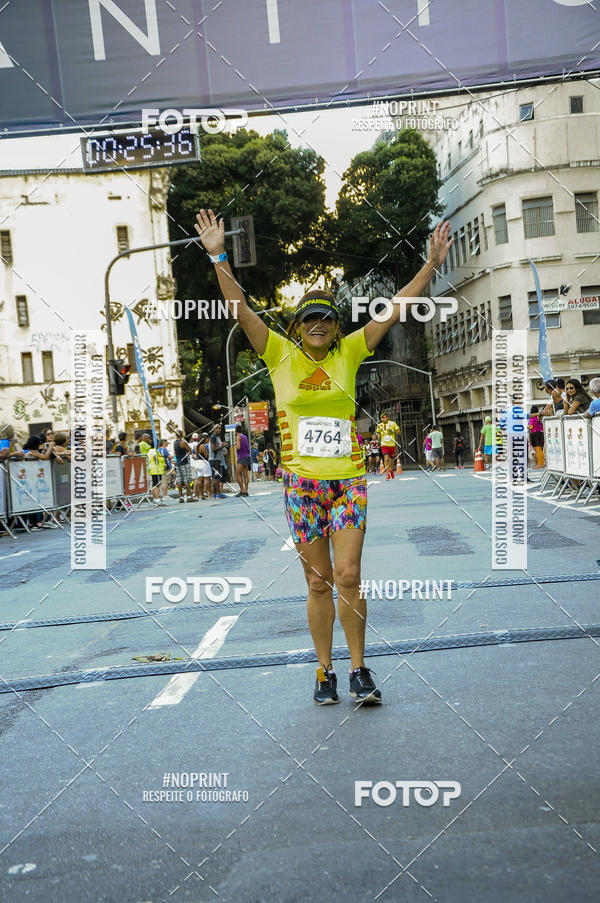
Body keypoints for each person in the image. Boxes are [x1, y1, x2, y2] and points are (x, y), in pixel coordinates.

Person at [196, 206, 452, 705]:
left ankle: (359, 669)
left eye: (327, 319)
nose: (319, 325)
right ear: (296, 326)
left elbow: (395, 306)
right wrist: (218, 256)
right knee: (317, 584)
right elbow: (241, 310)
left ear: (336, 327)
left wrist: (431, 264)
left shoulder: (350, 351)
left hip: (348, 482)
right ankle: (323, 671)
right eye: (310, 318)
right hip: (302, 486)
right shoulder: (278, 355)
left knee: (349, 576)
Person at [173, 430, 196, 503]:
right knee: (186, 480)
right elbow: (190, 451)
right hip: (184, 463)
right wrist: (187, 444)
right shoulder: (182, 442)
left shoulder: (175, 442)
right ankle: (189, 496)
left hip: (178, 463)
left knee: (179, 480)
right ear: (182, 435)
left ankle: (181, 497)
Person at [376, 412, 400, 480]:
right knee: (386, 459)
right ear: (381, 419)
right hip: (384, 444)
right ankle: (387, 474)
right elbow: (378, 433)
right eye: (382, 418)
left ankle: (391, 469)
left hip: (392, 444)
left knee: (392, 460)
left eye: (385, 417)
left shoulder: (392, 423)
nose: (384, 419)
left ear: (387, 418)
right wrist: (379, 435)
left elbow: (399, 431)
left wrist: (392, 431)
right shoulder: (379, 425)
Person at [208, 425, 227, 499]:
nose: (219, 429)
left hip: (217, 459)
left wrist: (222, 444)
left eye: (219, 428)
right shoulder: (213, 437)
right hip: (214, 459)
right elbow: (213, 449)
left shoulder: (218, 437)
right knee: (216, 477)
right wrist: (223, 446)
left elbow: (217, 446)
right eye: (217, 428)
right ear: (213, 429)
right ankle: (218, 493)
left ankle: (215, 494)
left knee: (216, 477)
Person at [191, 433, 211, 499]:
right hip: (204, 463)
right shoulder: (203, 446)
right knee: (206, 478)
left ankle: (200, 494)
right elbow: (206, 455)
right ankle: (207, 493)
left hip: (197, 462)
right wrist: (208, 454)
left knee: (200, 479)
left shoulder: (196, 446)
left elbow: (196, 455)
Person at [146, 440, 166, 505]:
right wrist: (159, 460)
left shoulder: (150, 450)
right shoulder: (154, 451)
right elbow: (155, 458)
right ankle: (157, 499)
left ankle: (155, 499)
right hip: (156, 469)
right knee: (156, 485)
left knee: (154, 484)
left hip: (154, 469)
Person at [235, 424, 251, 497]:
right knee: (245, 475)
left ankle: (242, 490)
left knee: (238, 474)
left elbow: (239, 447)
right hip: (247, 456)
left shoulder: (238, 437)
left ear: (236, 431)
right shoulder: (245, 436)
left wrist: (235, 445)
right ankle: (246, 491)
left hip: (241, 457)